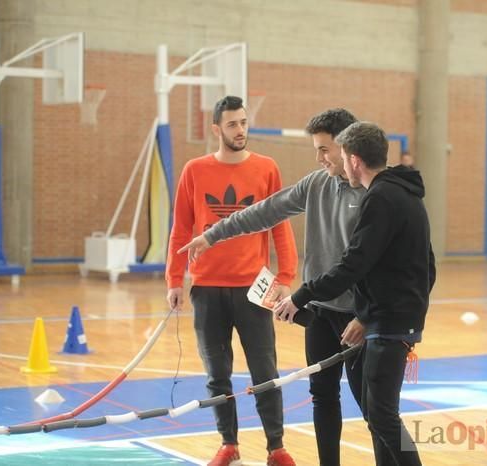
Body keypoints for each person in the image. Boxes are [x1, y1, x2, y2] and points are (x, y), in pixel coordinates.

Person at [177, 108, 366, 466]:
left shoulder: (375, 193)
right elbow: (265, 211)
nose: (319, 158)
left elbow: (385, 266)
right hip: (322, 314)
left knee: (375, 410)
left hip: (360, 318)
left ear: (346, 147)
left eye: (324, 149)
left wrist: (370, 314)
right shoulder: (315, 184)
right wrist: (212, 235)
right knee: (323, 398)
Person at [273, 121, 436, 466]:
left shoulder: (381, 198)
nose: (341, 164)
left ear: (356, 161)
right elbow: (428, 266)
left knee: (383, 418)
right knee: (381, 416)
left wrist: (301, 296)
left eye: (343, 156)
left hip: (389, 323)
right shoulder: (404, 193)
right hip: (392, 319)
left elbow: (352, 266)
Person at [165, 95, 298, 466]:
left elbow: (280, 226)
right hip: (206, 289)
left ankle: (277, 447)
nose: (240, 130)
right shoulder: (194, 170)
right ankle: (229, 445)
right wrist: (175, 280)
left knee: (265, 371)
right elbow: (180, 230)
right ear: (216, 130)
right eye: (232, 124)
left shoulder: (267, 168)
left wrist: (285, 277)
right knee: (216, 373)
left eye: (243, 123)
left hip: (254, 290)